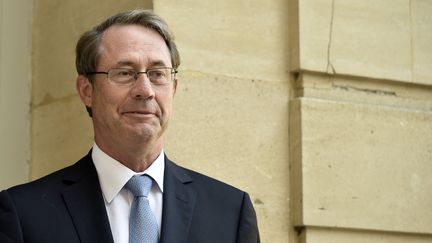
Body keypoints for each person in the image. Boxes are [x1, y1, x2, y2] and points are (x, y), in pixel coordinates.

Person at [0, 9, 260, 243]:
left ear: (174, 89)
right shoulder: (24, 214)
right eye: (125, 73)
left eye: (158, 74)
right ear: (87, 90)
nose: (145, 91)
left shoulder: (230, 212)